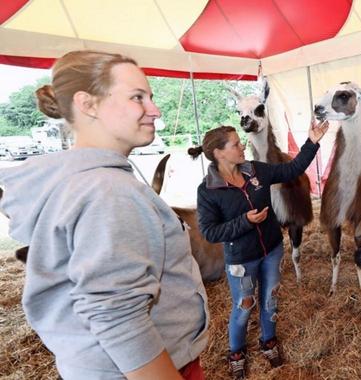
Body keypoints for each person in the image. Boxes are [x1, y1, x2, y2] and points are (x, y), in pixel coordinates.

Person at [0, 50, 208, 379]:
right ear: (88, 104)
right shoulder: (108, 191)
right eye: (137, 97)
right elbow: (119, 318)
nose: (154, 110)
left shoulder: (78, 183)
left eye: (150, 97)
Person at [190, 120, 327, 378]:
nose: (242, 146)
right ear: (219, 153)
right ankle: (236, 352)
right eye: (235, 144)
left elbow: (292, 169)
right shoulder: (209, 190)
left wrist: (312, 142)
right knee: (244, 306)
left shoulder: (255, 171)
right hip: (242, 260)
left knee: (270, 300)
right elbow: (210, 231)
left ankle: (269, 341)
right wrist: (245, 222)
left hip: (272, 250)